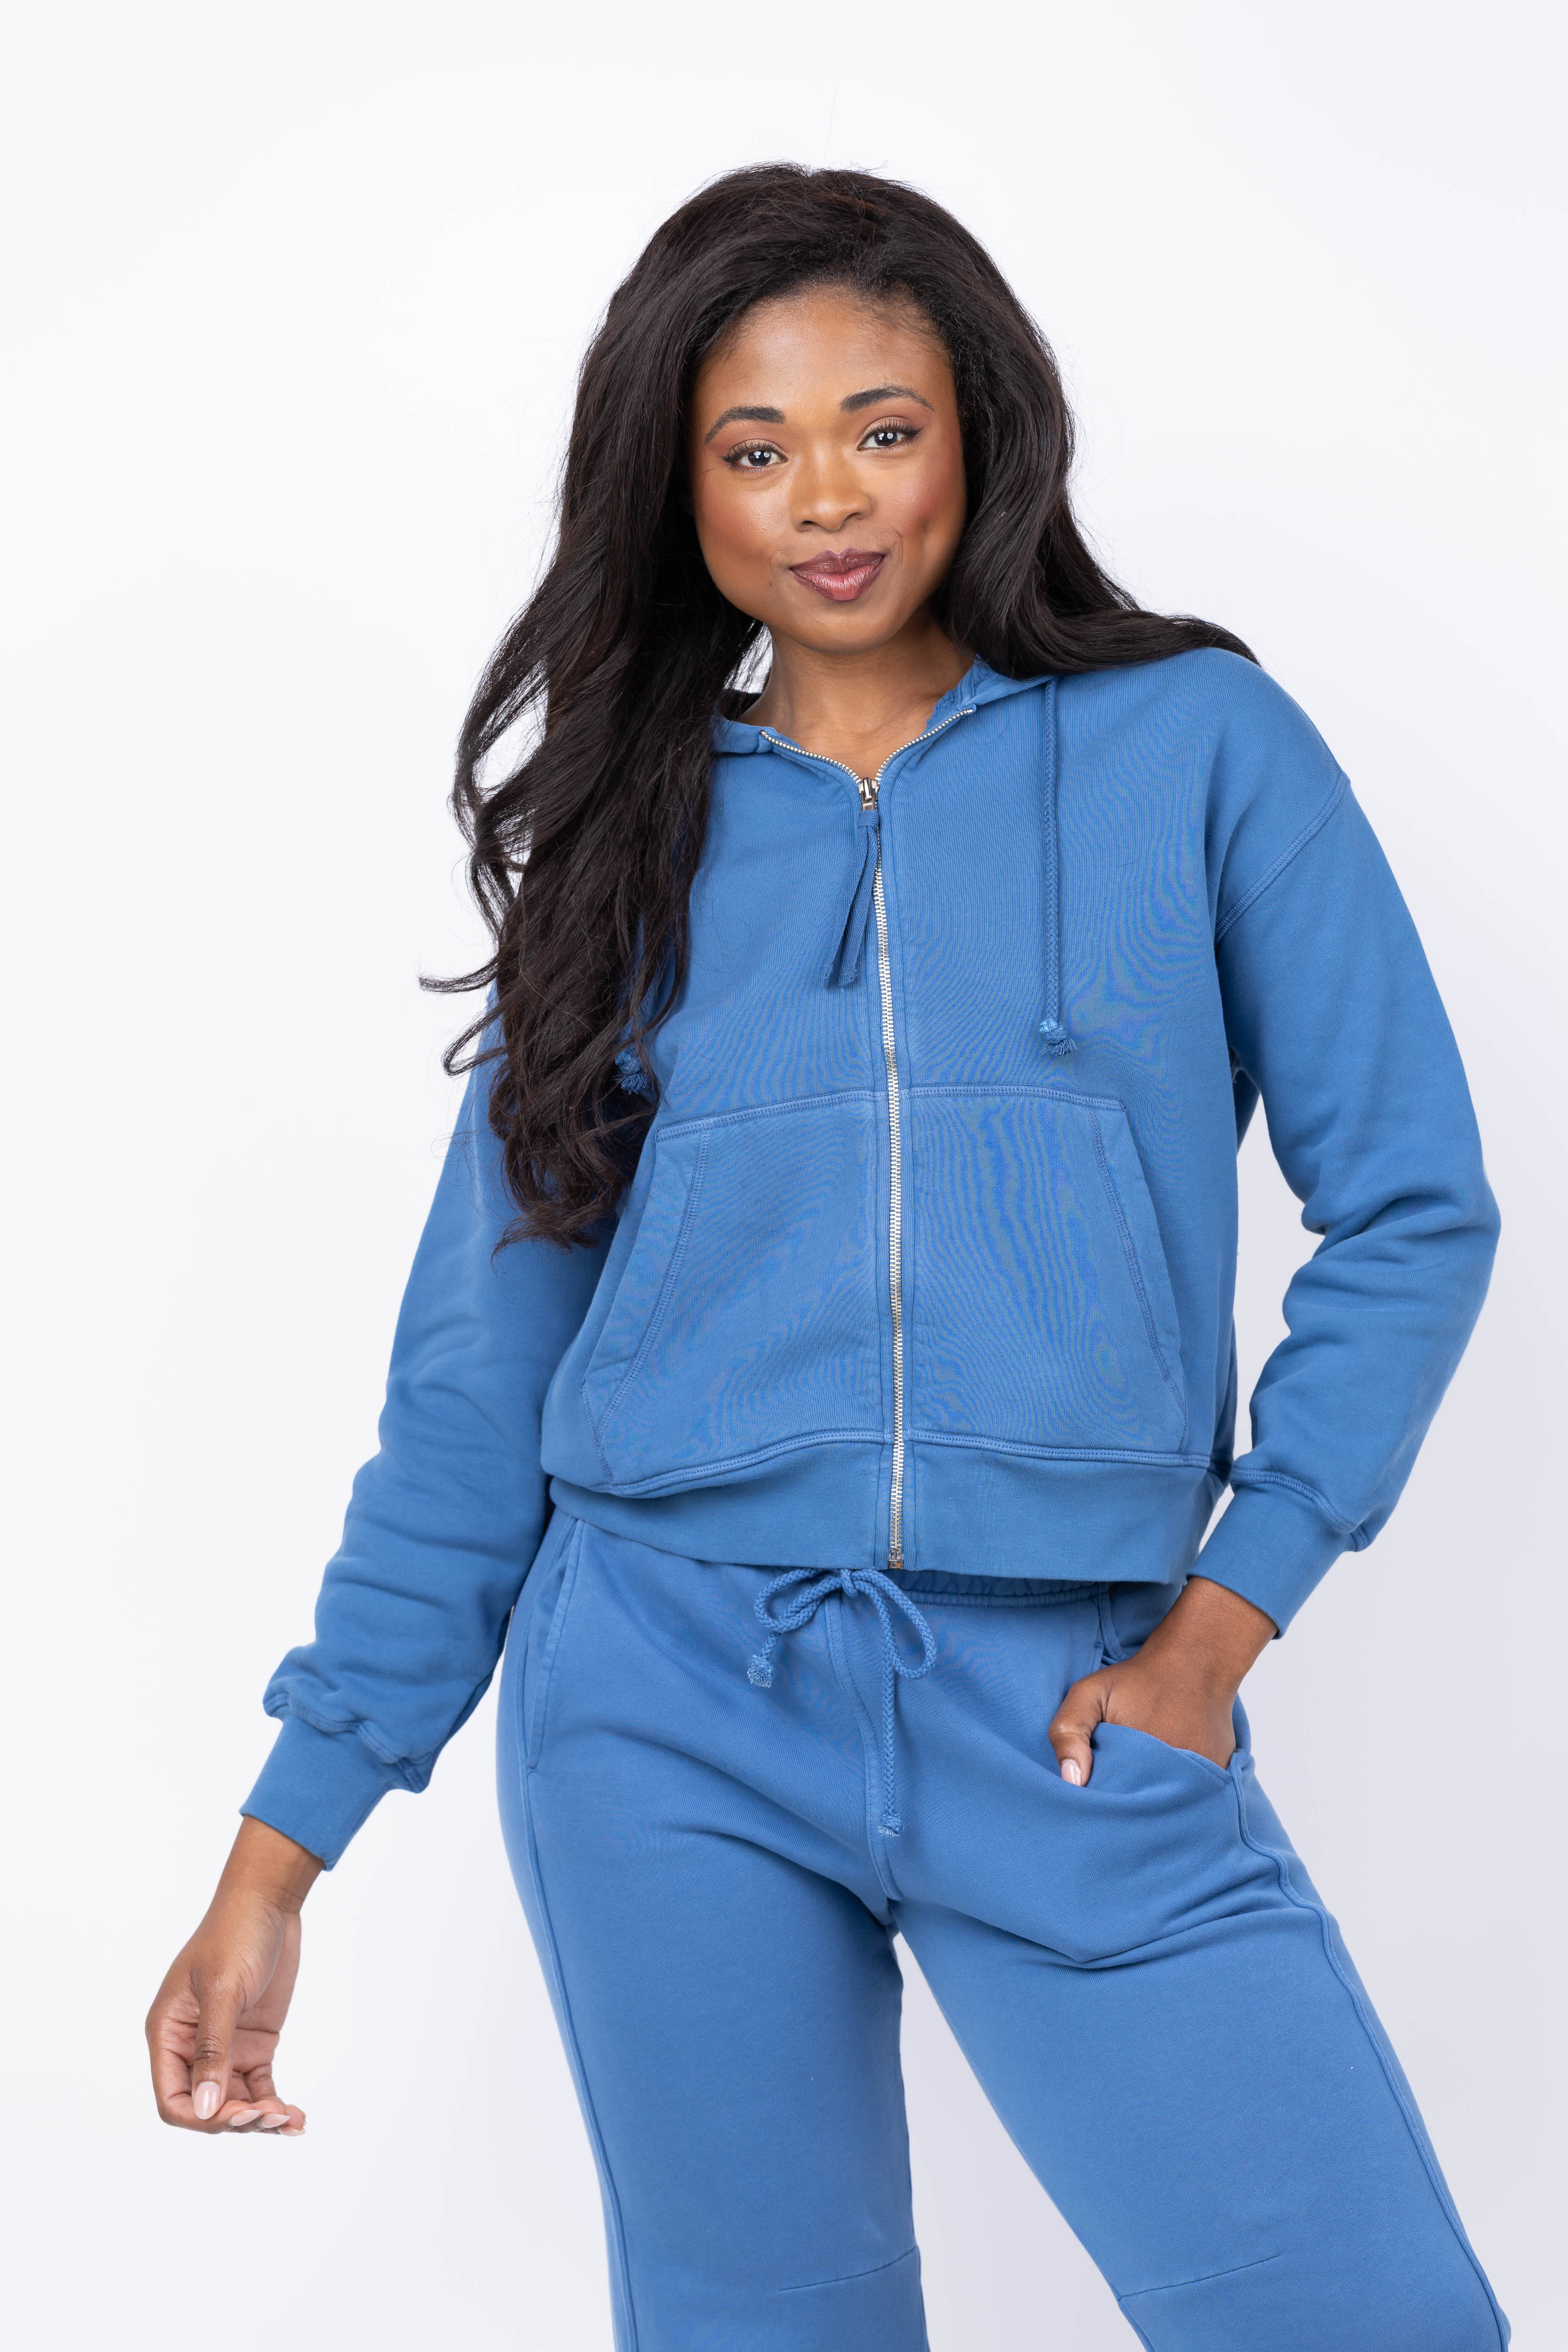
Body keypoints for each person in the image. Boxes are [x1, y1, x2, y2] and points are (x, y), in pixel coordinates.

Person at [146, 164, 1507, 2351]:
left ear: (982, 429)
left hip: (1074, 1705)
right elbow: (480, 1382)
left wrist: (1221, 1628)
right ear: (676, 486)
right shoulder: (627, 833)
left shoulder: (1196, 746)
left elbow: (1415, 1206)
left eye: (882, 426)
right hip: (661, 1709)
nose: (829, 499)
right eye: (755, 447)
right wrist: (279, 1848)